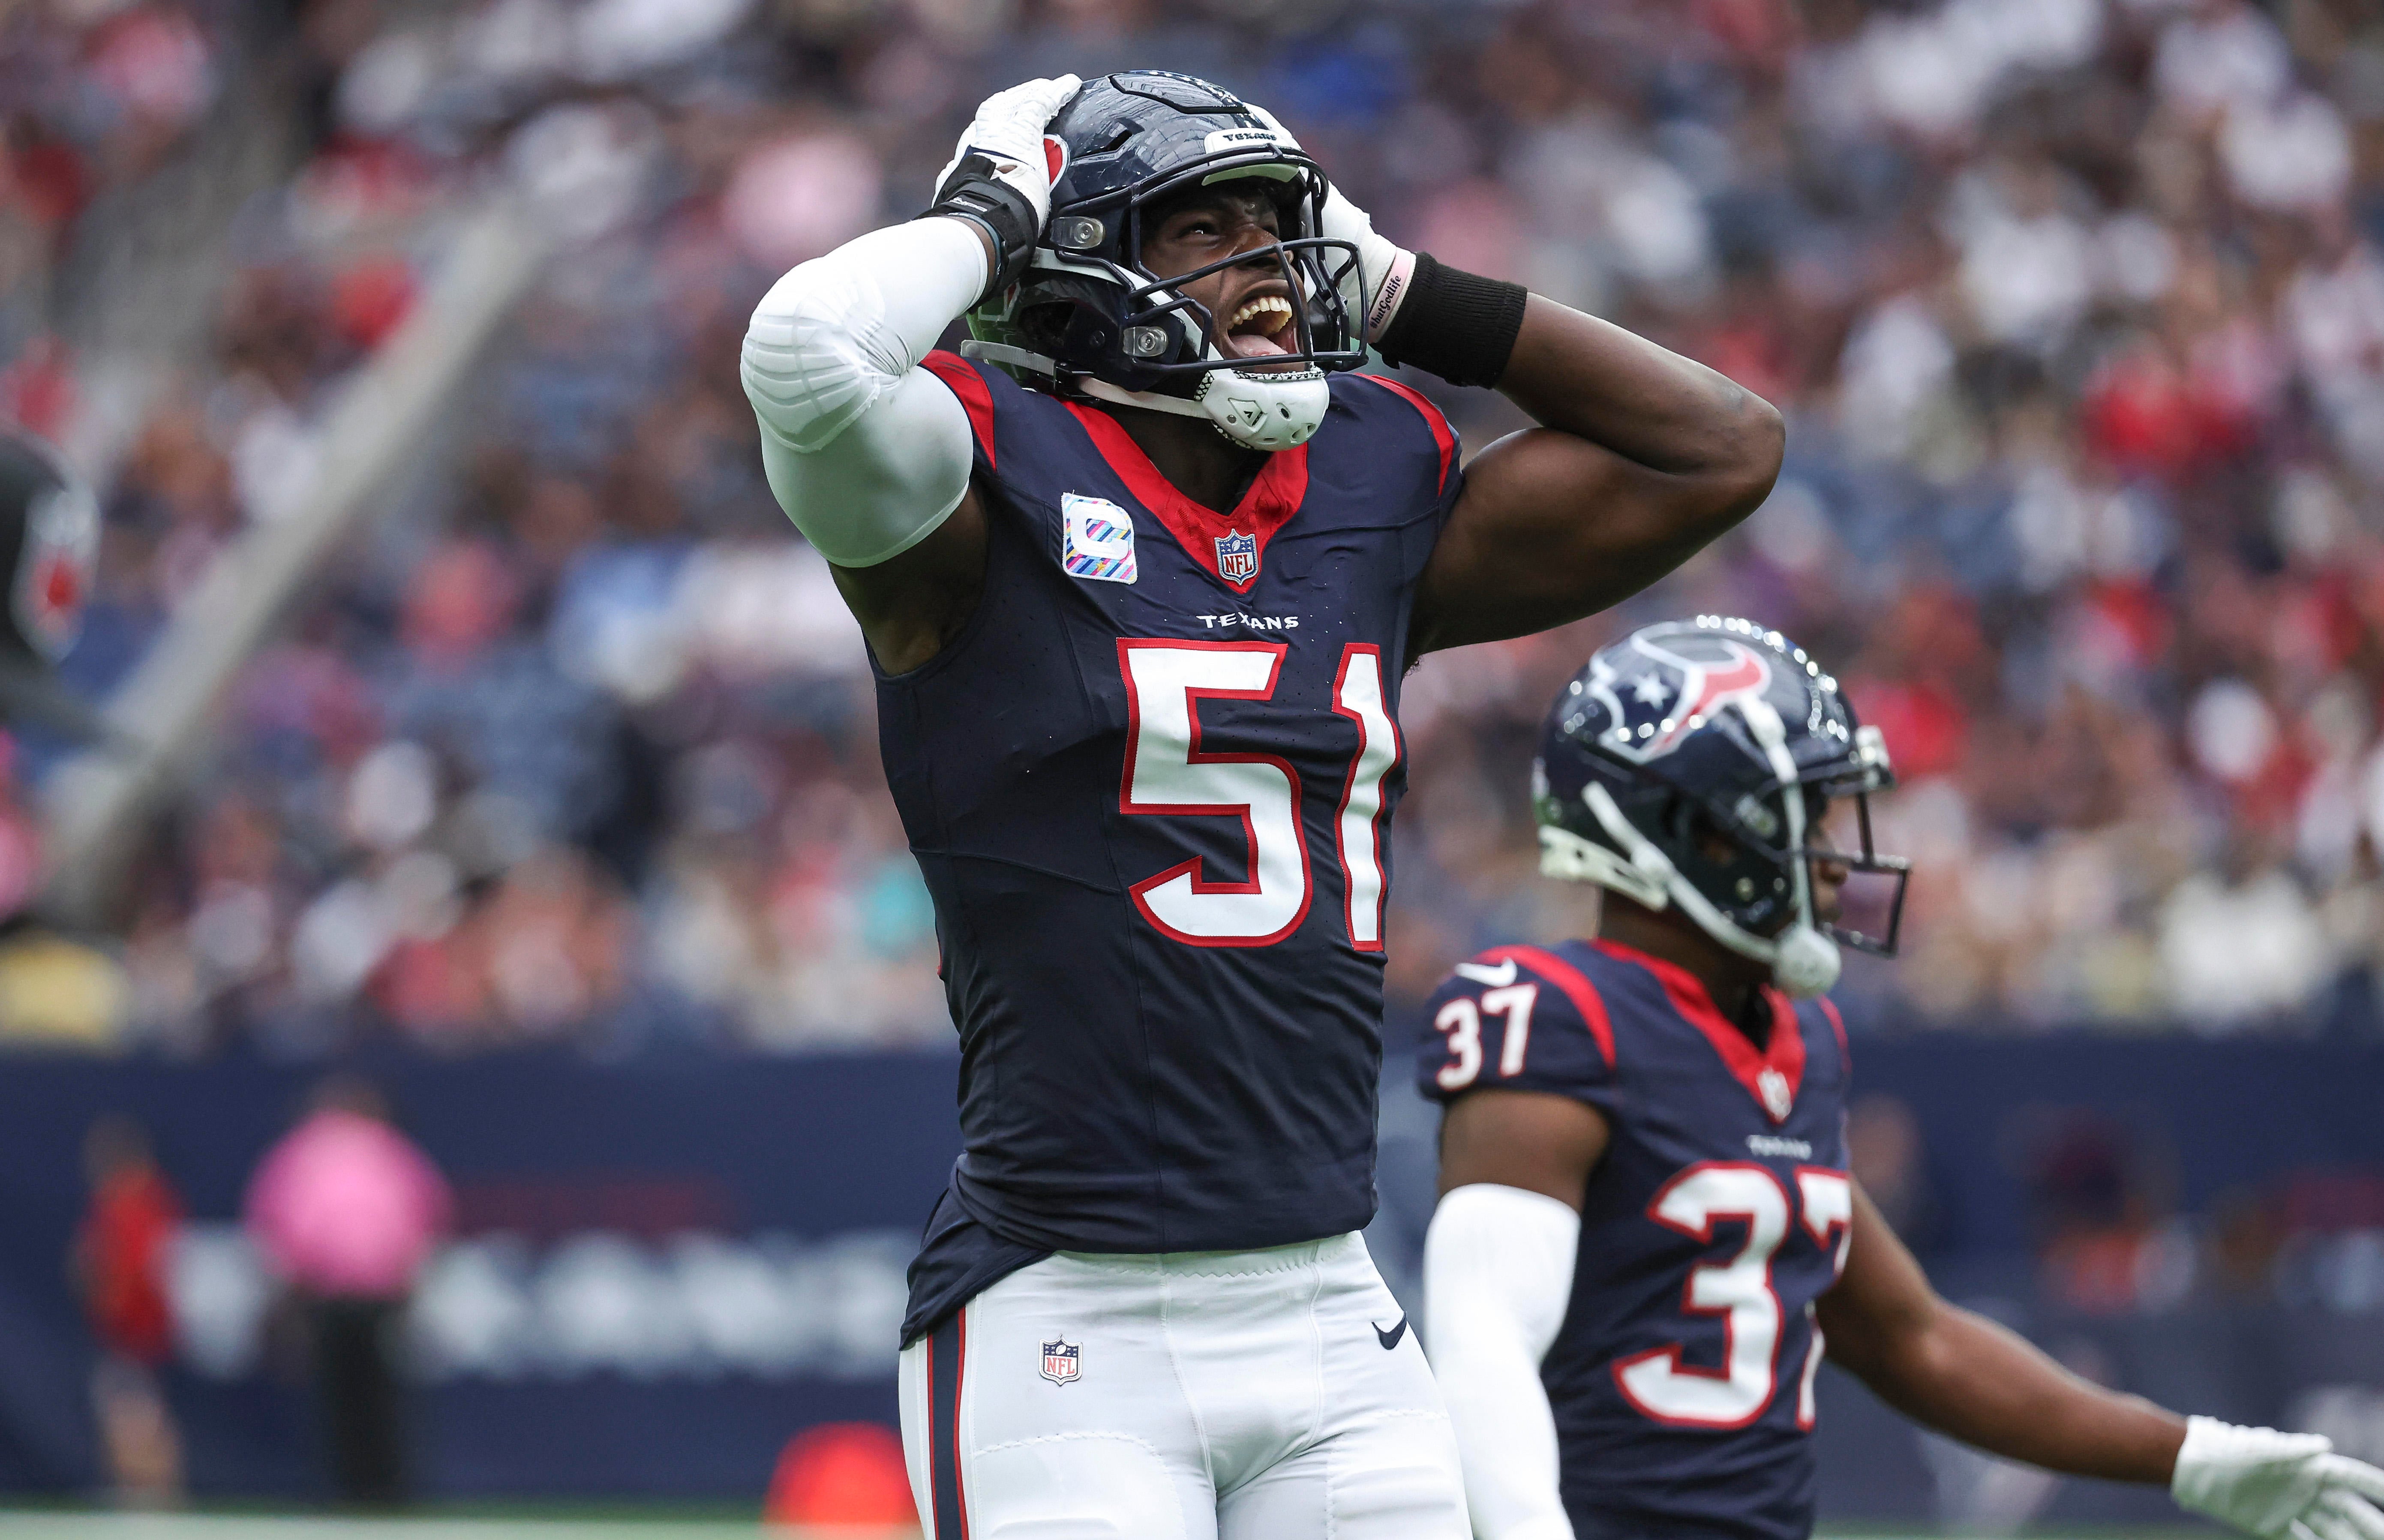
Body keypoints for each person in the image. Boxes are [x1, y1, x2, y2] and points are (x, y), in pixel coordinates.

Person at [740, 69, 1782, 1537]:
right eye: (1201, 231)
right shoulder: (976, 495)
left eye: (1279, 231)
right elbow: (804, 357)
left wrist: (1408, 288)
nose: (1274, 275)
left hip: (1330, 1308)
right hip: (1066, 1318)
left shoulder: (1358, 488)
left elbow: (1723, 443)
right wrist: (989, 213)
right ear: (1079, 269)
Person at [1414, 617, 2384, 1540]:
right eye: (1802, 816)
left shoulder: (1788, 1039)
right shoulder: (1555, 1015)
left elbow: (1913, 1337)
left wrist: (2191, 1453)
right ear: (1691, 832)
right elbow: (1483, 1337)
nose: (1835, 860)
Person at [242, 1074, 451, 1507]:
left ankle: (346, 1489)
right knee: (379, 1396)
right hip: (379, 1292)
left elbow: (276, 1221)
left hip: (329, 1292)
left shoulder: (305, 1150)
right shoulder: (387, 1148)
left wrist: (291, 1281)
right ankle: (386, 1488)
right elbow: (427, 1212)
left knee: (340, 1396)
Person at [71, 1114, 185, 1506]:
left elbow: (130, 1270)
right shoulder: (144, 1203)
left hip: (133, 1330)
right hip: (136, 1328)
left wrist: (110, 1298)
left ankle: (148, 1488)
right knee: (133, 1409)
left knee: (132, 1413)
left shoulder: (133, 1205)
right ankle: (143, 1488)